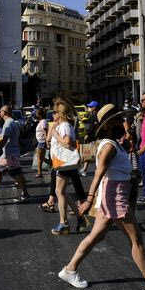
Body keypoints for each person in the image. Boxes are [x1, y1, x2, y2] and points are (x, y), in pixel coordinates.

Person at [57, 103, 145, 290]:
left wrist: (128, 143)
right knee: (135, 239)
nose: (124, 121)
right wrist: (89, 199)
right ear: (111, 123)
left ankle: (69, 269)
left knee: (96, 236)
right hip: (114, 195)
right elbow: (98, 174)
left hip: (115, 193)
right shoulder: (109, 147)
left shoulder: (114, 144)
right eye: (120, 119)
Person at [47, 102, 87, 235]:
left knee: (60, 192)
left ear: (60, 113)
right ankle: (79, 217)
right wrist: (53, 131)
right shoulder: (60, 125)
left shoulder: (64, 126)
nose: (53, 114)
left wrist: (55, 135)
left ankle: (64, 223)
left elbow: (67, 142)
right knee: (60, 192)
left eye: (55, 112)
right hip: (61, 162)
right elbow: (48, 140)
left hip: (64, 162)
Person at [0, 106, 30, 202]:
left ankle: (25, 193)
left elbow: (5, 138)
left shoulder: (8, 123)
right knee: (0, 170)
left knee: (17, 173)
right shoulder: (10, 122)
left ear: (5, 112)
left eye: (1, 111)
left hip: (10, 153)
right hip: (9, 152)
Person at [79, 100, 99, 177]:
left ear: (94, 108)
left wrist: (87, 134)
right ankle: (84, 169)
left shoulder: (94, 115)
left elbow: (92, 127)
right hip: (93, 136)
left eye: (90, 107)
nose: (88, 108)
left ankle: (85, 169)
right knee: (90, 153)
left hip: (93, 137)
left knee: (90, 153)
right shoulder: (92, 114)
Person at [33, 108, 49, 178]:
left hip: (42, 142)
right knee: (40, 157)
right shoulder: (41, 121)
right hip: (40, 141)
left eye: (36, 113)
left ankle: (39, 173)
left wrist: (47, 142)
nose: (35, 115)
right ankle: (52, 165)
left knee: (39, 157)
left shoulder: (43, 122)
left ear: (39, 114)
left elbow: (45, 132)